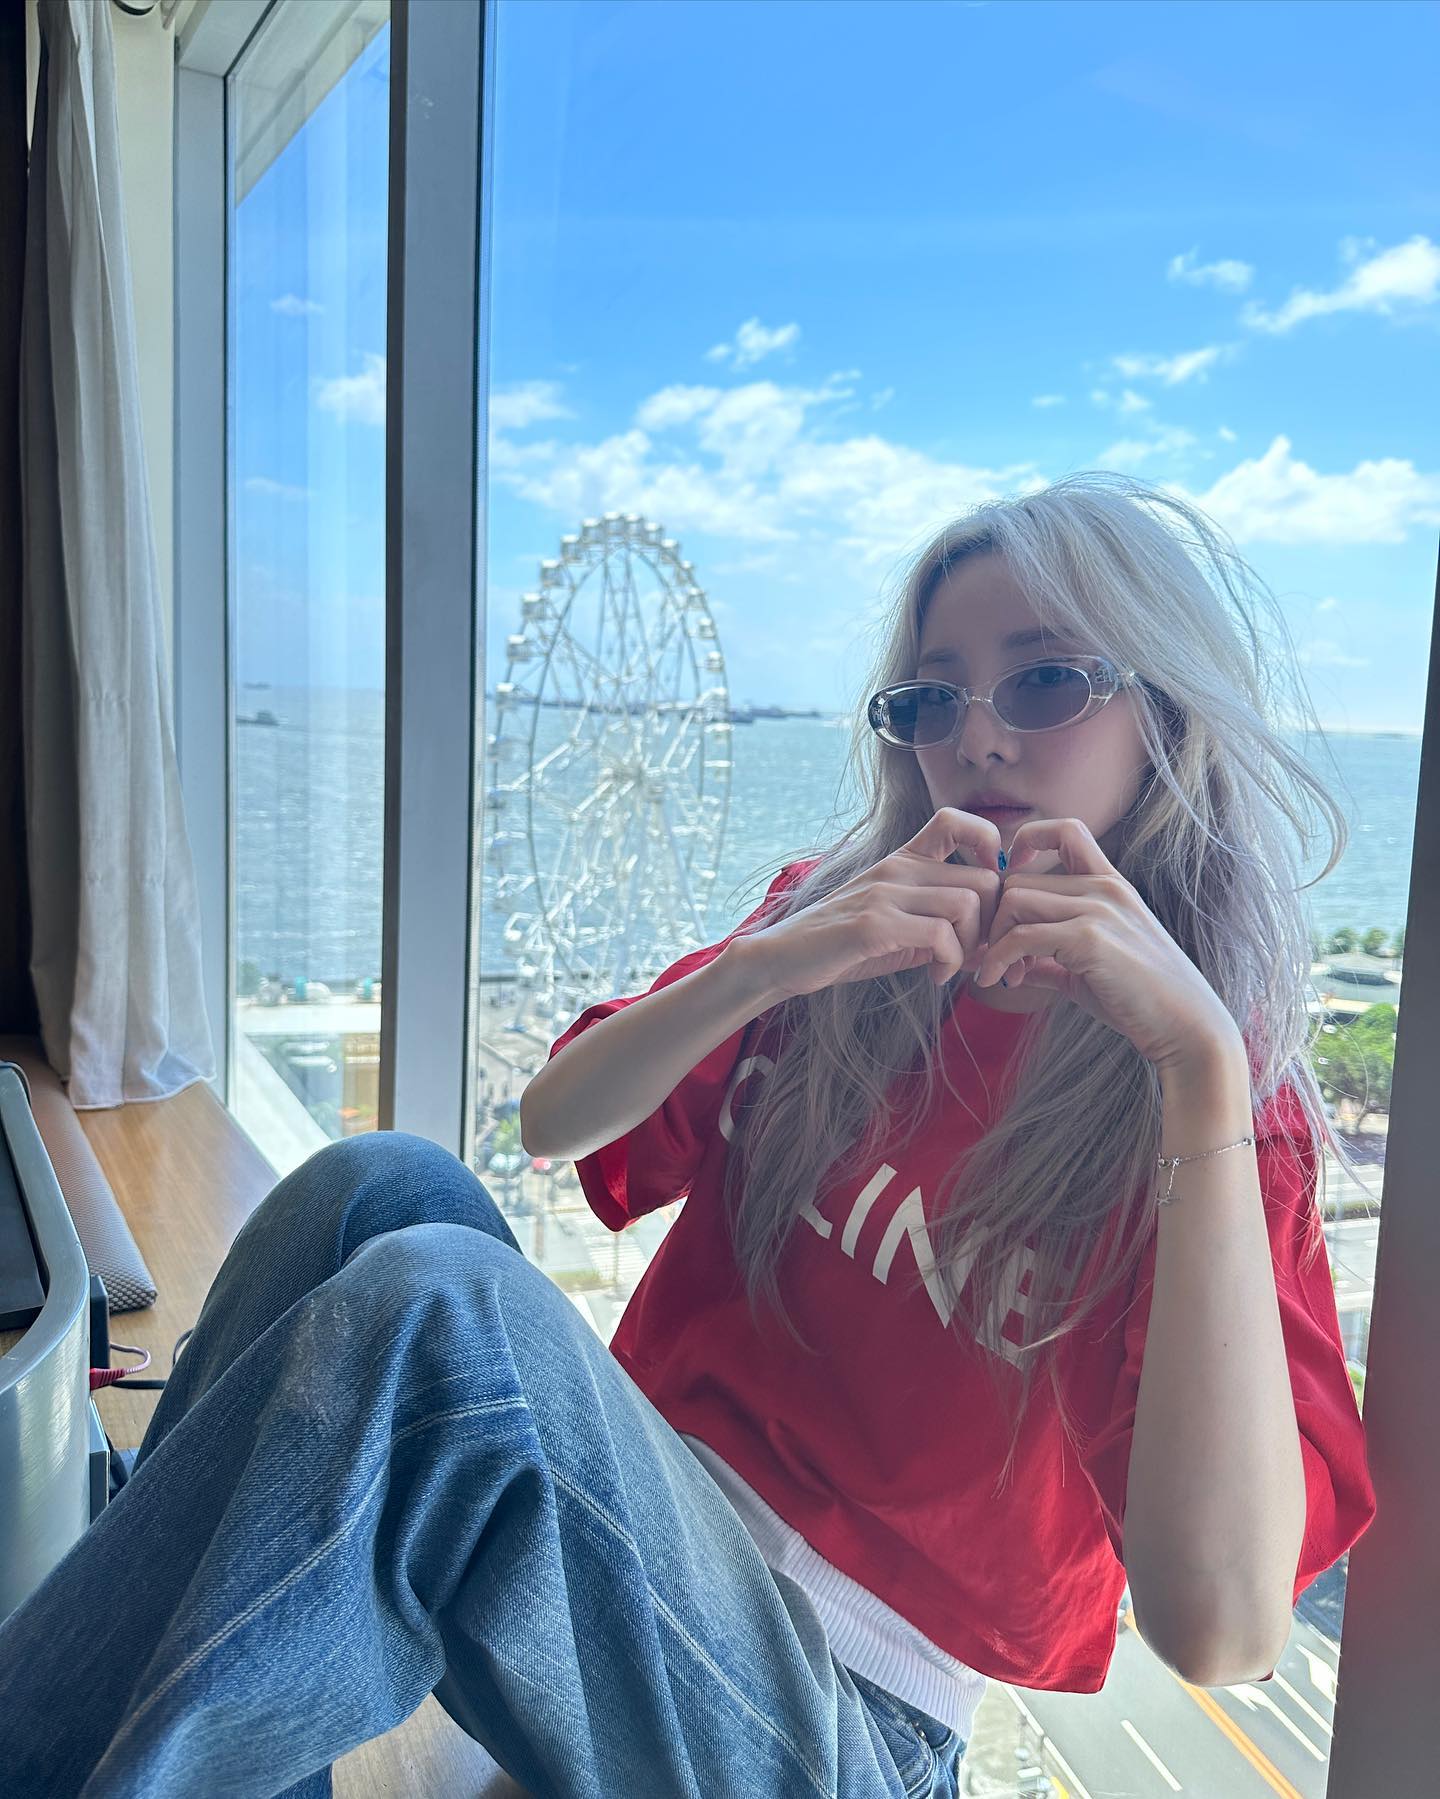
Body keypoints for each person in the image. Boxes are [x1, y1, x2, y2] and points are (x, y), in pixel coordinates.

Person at [0, 472, 1377, 1798]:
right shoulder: (841, 928)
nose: (977, 738)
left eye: (1045, 680)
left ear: (1167, 715)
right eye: (931, 697)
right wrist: (774, 960)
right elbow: (554, 1121)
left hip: (850, 1727)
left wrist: (1201, 1070)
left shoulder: (1212, 1114)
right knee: (378, 1186)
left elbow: (1223, 1630)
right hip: (617, 1572)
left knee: (440, 1319)